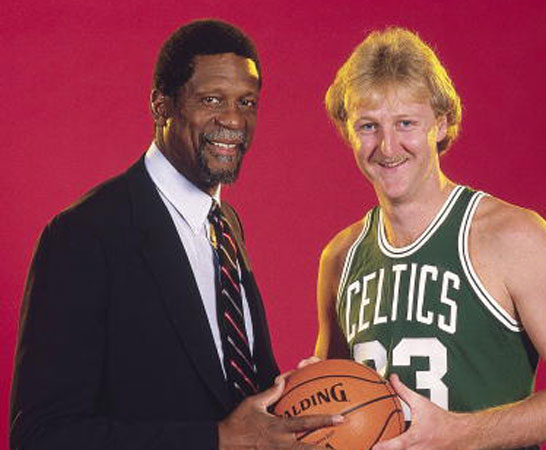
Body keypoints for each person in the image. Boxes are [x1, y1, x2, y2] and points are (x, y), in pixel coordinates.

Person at [10, 19, 340, 450]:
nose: (233, 119)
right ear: (161, 106)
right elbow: (42, 436)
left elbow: (238, 400)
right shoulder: (83, 235)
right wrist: (216, 439)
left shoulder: (225, 226)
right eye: (211, 100)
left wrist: (301, 395)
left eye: (246, 102)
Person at [314, 27, 546, 450]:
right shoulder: (342, 256)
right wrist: (308, 396)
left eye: (406, 123)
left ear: (442, 123)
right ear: (348, 132)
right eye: (369, 126)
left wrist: (461, 434)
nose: (387, 147)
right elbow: (336, 404)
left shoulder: (513, 236)